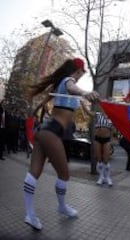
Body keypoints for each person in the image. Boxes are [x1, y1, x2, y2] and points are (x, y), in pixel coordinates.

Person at [22, 58, 99, 231]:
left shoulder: (68, 92)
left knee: (34, 173)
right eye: (81, 73)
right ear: (77, 71)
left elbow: (87, 111)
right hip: (52, 132)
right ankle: (61, 206)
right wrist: (86, 91)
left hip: (45, 131)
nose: (80, 77)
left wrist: (96, 106)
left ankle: (29, 214)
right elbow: (74, 87)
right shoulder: (68, 82)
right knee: (64, 174)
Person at [82, 103, 113, 186]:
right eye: (103, 107)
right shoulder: (97, 114)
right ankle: (101, 177)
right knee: (99, 159)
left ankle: (107, 177)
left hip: (107, 139)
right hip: (97, 139)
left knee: (106, 160)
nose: (104, 108)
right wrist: (82, 103)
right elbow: (88, 112)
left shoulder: (112, 116)